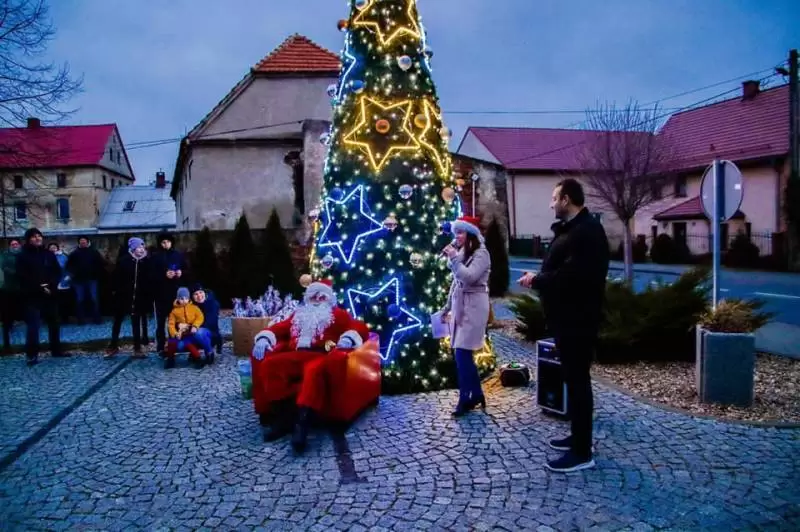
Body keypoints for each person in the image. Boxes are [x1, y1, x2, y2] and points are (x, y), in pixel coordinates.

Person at [518, 179, 610, 473]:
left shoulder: (587, 232)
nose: (551, 204)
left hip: (578, 320)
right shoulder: (574, 229)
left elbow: (573, 277)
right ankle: (578, 437)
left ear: (567, 199)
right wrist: (539, 277)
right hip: (567, 318)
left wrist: (536, 280)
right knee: (573, 378)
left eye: (554, 198)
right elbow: (560, 269)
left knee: (579, 381)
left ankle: (582, 452)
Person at [251, 279, 369, 454]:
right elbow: (278, 328)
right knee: (270, 365)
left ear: (329, 299)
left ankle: (302, 425)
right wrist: (264, 338)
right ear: (308, 298)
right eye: (314, 296)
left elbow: (359, 327)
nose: (318, 300)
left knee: (313, 371)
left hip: (321, 355)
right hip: (295, 354)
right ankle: (283, 418)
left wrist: (348, 337)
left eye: (322, 297)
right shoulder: (298, 316)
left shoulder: (338, 315)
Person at [440, 216, 491, 417]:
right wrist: (446, 307)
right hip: (461, 305)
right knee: (462, 353)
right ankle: (476, 394)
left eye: (460, 232)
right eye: (456, 233)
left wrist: (454, 258)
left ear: (471, 234)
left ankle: (465, 398)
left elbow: (469, 277)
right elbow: (457, 281)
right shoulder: (463, 252)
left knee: (462, 353)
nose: (457, 237)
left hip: (475, 306)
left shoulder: (482, 254)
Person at [17, 228, 70, 365]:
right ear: (28, 239)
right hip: (32, 296)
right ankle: (32, 354)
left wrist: (51, 285)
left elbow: (57, 272)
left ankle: (56, 350)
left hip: (50, 294)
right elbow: (22, 276)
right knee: (33, 326)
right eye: (34, 236)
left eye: (39, 236)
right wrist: (40, 287)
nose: (37, 238)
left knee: (54, 323)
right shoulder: (23, 256)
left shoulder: (48, 254)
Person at [106, 237, 153, 359]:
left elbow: (149, 279)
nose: (141, 249)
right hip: (123, 296)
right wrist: (116, 291)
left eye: (142, 247)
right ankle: (113, 346)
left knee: (136, 323)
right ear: (133, 249)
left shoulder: (146, 261)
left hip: (139, 297)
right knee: (117, 321)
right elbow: (116, 277)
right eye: (138, 247)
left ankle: (137, 348)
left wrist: (147, 294)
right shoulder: (124, 261)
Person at [152, 231, 187, 355]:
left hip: (175, 293)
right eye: (163, 242)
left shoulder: (178, 255)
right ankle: (161, 346)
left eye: (168, 242)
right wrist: (164, 275)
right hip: (160, 294)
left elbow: (187, 270)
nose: (166, 244)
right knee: (161, 322)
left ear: (171, 242)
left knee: (176, 321)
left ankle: (175, 344)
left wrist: (181, 273)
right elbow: (151, 275)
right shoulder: (155, 257)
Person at [165, 287, 213, 369]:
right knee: (172, 341)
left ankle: (198, 359)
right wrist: (175, 333)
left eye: (186, 298)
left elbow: (200, 317)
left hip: (191, 333)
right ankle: (170, 360)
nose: (184, 300)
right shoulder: (174, 311)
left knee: (188, 343)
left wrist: (195, 326)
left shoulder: (194, 308)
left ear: (189, 298)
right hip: (181, 334)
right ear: (178, 299)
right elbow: (171, 324)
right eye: (181, 299)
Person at [65, 236, 105, 324]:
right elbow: (68, 266)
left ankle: (97, 318)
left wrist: (97, 273)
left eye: (84, 241)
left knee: (94, 299)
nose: (83, 243)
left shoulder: (94, 252)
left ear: (87, 242)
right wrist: (73, 274)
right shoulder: (74, 253)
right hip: (78, 281)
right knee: (79, 300)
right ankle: (81, 319)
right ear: (79, 243)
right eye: (81, 241)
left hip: (92, 279)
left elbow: (100, 264)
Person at [0, 238, 23, 353]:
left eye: (16, 243)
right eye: (12, 244)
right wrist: (14, 272)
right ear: (10, 246)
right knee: (8, 312)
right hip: (9, 287)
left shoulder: (23, 254)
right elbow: (4, 267)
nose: (15, 245)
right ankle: (7, 341)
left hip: (22, 287)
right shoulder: (6, 255)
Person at [191, 284, 222, 354]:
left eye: (200, 292)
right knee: (181, 343)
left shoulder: (213, 303)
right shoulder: (192, 306)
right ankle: (194, 352)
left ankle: (209, 352)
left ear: (204, 292)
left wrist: (194, 326)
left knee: (199, 333)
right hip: (195, 331)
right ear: (192, 297)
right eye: (196, 294)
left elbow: (210, 322)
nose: (199, 296)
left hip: (211, 333)